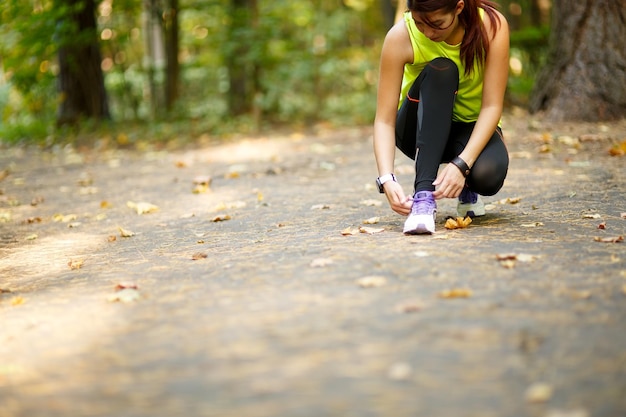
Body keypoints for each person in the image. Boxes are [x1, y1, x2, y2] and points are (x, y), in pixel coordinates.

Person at [373, 0, 510, 234]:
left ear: (458, 7)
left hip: (469, 129)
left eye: (437, 23)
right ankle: (423, 200)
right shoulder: (400, 37)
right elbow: (384, 120)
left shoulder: (492, 26)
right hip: (417, 130)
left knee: (488, 175)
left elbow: (491, 106)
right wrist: (386, 178)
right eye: (419, 23)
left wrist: (462, 165)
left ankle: (467, 184)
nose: (427, 32)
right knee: (442, 70)